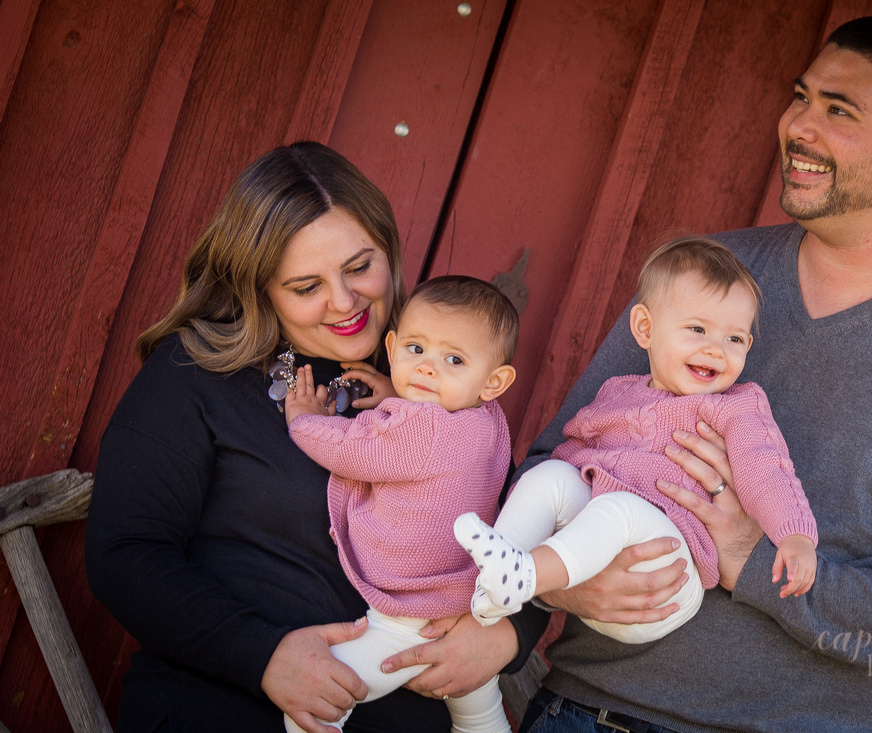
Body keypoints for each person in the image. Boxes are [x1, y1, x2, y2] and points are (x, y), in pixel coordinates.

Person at [516, 15, 872, 733]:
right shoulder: (700, 279)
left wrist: (755, 563)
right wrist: (564, 585)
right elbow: (554, 462)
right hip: (589, 714)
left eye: (838, 110)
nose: (797, 124)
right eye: (801, 97)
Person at [85, 142, 543, 733]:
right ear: (259, 288)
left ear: (389, 249)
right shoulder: (195, 374)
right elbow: (126, 554)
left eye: (359, 267)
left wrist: (505, 636)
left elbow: (519, 536)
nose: (346, 302)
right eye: (306, 287)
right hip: (226, 712)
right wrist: (261, 655)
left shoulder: (444, 380)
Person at [454, 236, 817, 645]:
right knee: (552, 474)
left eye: (734, 339)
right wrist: (551, 493)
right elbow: (576, 453)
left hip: (667, 576)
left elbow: (766, 470)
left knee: (619, 507)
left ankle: (523, 575)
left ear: (748, 346)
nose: (715, 350)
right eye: (697, 329)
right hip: (596, 564)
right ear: (645, 328)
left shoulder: (737, 407)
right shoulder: (618, 392)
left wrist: (794, 534)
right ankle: (488, 588)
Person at [281, 275, 519, 733]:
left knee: (315, 704)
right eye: (415, 350)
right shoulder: (489, 424)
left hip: (406, 613)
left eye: (453, 359)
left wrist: (306, 421)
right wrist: (400, 400)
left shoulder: (420, 433)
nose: (428, 368)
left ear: (494, 381)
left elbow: (353, 450)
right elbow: (437, 440)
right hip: (461, 604)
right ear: (391, 349)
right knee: (479, 715)